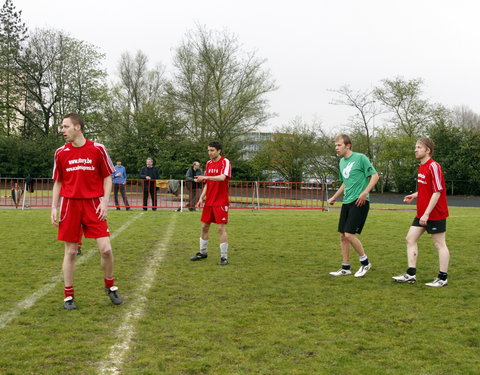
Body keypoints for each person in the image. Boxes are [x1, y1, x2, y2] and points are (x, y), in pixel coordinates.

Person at [51, 113, 123, 310]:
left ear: (78, 127)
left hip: (93, 204)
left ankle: (110, 285)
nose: (62, 130)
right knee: (71, 251)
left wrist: (105, 202)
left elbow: (107, 177)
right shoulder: (60, 152)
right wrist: (54, 207)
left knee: (106, 249)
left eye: (65, 127)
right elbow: (58, 182)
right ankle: (68, 295)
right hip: (70, 205)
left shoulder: (98, 149)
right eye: (62, 127)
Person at [392, 138, 450, 287]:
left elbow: (437, 192)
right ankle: (411, 275)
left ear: (427, 150)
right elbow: (427, 189)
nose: (415, 150)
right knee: (410, 239)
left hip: (435, 213)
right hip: (422, 213)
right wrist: (415, 195)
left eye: (419, 147)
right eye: (415, 147)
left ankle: (442, 278)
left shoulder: (434, 166)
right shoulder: (421, 167)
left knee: (439, 244)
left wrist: (427, 214)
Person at [327, 134, 379, 278]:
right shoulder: (342, 162)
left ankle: (365, 263)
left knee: (349, 234)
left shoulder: (361, 158)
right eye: (335, 145)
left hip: (360, 202)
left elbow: (375, 176)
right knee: (343, 235)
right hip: (347, 202)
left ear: (347, 145)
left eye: (339, 145)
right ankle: (346, 267)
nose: (336, 148)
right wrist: (334, 197)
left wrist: (364, 193)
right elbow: (345, 182)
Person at [190, 141, 231, 265]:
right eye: (208, 150)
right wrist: (201, 197)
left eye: (212, 150)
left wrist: (205, 177)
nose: (209, 152)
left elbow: (222, 177)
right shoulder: (208, 163)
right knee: (204, 227)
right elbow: (208, 183)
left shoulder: (225, 162)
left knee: (220, 228)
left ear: (219, 151)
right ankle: (203, 252)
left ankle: (224, 257)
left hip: (221, 201)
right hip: (209, 201)